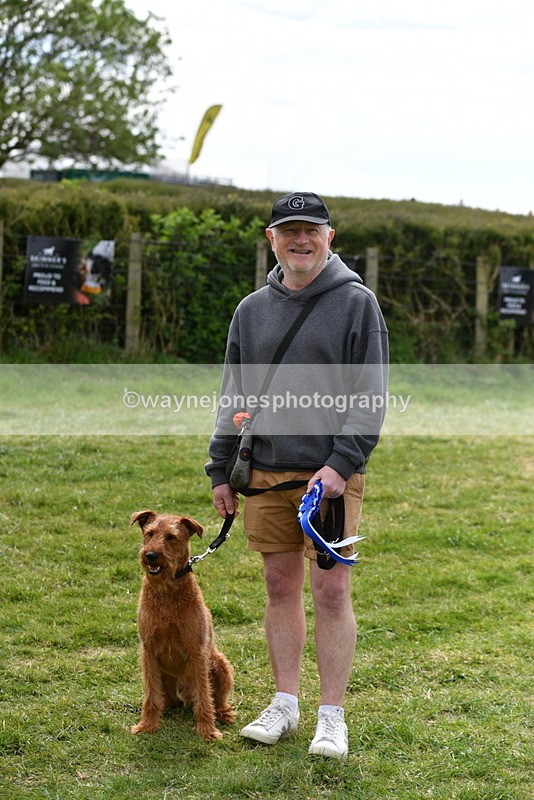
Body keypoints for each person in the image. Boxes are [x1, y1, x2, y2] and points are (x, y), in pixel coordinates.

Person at [205, 192, 388, 760]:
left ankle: (331, 717)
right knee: (279, 586)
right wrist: (220, 466)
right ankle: (285, 703)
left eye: (312, 230)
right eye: (289, 232)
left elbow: (370, 395)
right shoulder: (249, 310)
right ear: (271, 239)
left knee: (331, 591)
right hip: (262, 468)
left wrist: (340, 466)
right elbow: (233, 394)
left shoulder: (358, 304)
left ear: (330, 237)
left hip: (328, 476)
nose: (300, 240)